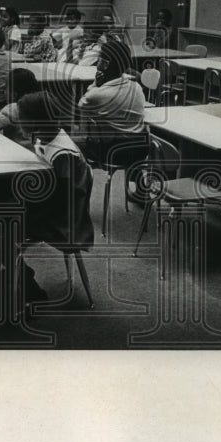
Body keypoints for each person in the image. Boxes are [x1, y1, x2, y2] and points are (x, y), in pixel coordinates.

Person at [11, 91, 95, 302]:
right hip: (53, 209)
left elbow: (60, 200)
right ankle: (17, 276)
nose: (18, 120)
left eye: (22, 117)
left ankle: (26, 285)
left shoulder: (62, 153)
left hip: (64, 222)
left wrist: (23, 209)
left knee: (0, 227)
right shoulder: (48, 137)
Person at [77, 38, 147, 166]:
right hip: (140, 150)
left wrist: (95, 84)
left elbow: (82, 105)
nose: (97, 60)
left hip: (112, 151)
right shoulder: (136, 87)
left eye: (99, 57)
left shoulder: (97, 94)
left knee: (75, 144)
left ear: (106, 63)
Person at [0, 69, 40, 141]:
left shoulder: (14, 109)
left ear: (14, 95)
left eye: (6, 88)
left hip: (17, 148)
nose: (4, 91)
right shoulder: (37, 105)